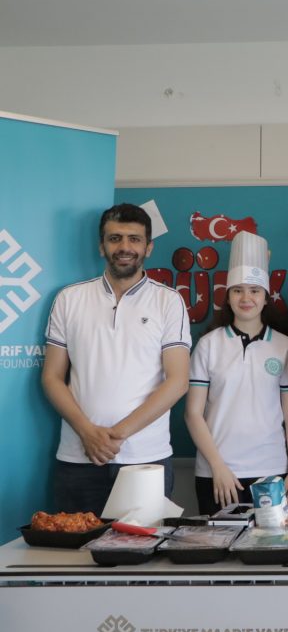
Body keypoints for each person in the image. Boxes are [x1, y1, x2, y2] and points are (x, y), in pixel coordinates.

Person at [41, 203, 191, 515]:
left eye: (134, 239)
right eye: (115, 238)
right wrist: (87, 433)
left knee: (144, 546)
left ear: (148, 247)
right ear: (102, 246)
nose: (125, 247)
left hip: (145, 460)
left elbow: (177, 381)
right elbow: (52, 377)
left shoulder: (168, 301)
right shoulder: (69, 298)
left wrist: (115, 435)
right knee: (77, 546)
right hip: (78, 457)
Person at [184, 231, 288, 516]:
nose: (246, 298)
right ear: (228, 297)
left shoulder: (284, 346)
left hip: (271, 471)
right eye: (238, 290)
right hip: (217, 474)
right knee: (218, 543)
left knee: (271, 542)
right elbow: (192, 413)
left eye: (254, 291)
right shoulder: (208, 344)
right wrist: (218, 466)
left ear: (266, 297)